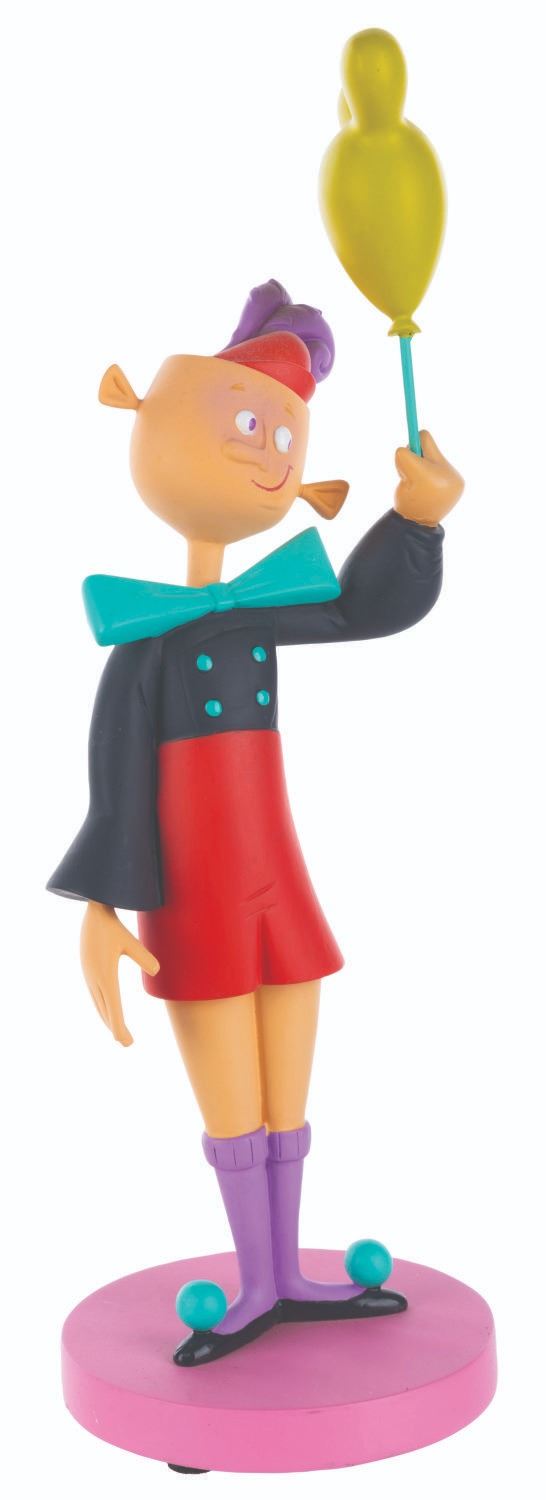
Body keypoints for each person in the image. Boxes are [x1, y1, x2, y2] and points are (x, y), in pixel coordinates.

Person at [48, 279, 463, 1364]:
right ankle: (255, 1281)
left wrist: (417, 518)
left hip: (282, 890)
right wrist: (101, 907)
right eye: (249, 424)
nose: (272, 453)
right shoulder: (145, 645)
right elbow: (114, 786)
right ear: (144, 419)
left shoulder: (262, 616)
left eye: (285, 434)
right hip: (196, 906)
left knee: (288, 1092)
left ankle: (288, 1278)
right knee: (235, 1102)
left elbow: (367, 608)